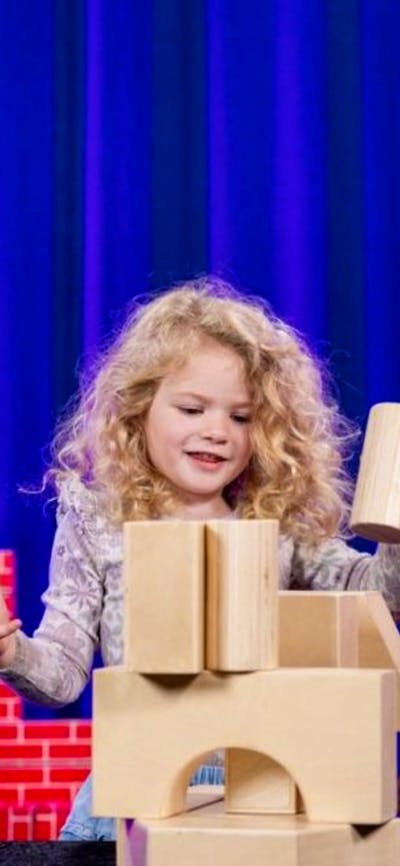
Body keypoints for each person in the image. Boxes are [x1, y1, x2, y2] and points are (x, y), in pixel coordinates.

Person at [0, 275, 399, 841]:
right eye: (192, 408)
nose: (217, 432)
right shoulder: (98, 521)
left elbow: (377, 595)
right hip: (137, 786)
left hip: (259, 787)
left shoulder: (275, 524)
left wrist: (396, 534)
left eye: (240, 417)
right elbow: (62, 677)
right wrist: (11, 649)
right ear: (138, 410)